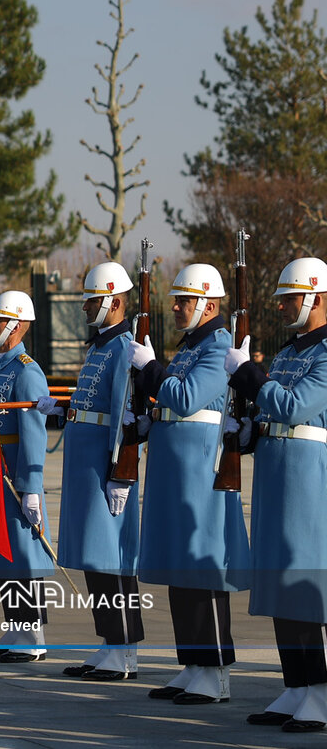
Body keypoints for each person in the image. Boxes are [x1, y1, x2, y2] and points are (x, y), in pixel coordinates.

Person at [130, 264, 250, 705]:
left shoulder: (219, 346)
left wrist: (151, 368)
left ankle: (215, 671)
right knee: (182, 571)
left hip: (201, 472)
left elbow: (183, 398)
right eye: (176, 299)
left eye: (185, 300)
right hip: (175, 471)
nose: (176, 306)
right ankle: (193, 664)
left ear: (210, 306)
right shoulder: (190, 348)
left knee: (202, 571)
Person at [227, 257, 327, 732]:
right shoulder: (288, 352)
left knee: (301, 580)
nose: (284, 304)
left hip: (308, 475)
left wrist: (250, 376)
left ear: (317, 296)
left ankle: (321, 691)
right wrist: (245, 429)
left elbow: (296, 405)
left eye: (291, 296)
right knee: (277, 579)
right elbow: (271, 412)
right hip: (275, 471)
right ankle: (297, 684)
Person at [41, 261, 144, 681]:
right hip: (84, 463)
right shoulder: (100, 347)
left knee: (112, 560)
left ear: (115, 303)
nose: (85, 309)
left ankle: (124, 649)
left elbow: (126, 412)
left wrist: (122, 473)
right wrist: (65, 408)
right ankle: (108, 642)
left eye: (93, 302)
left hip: (105, 465)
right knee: (94, 559)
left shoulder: (124, 349)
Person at [0, 291, 53, 664]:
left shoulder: (26, 370)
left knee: (24, 556)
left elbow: (34, 432)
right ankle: (15, 626)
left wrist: (32, 487)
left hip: (16, 475)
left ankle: (34, 632)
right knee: (3, 553)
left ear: (18, 325)